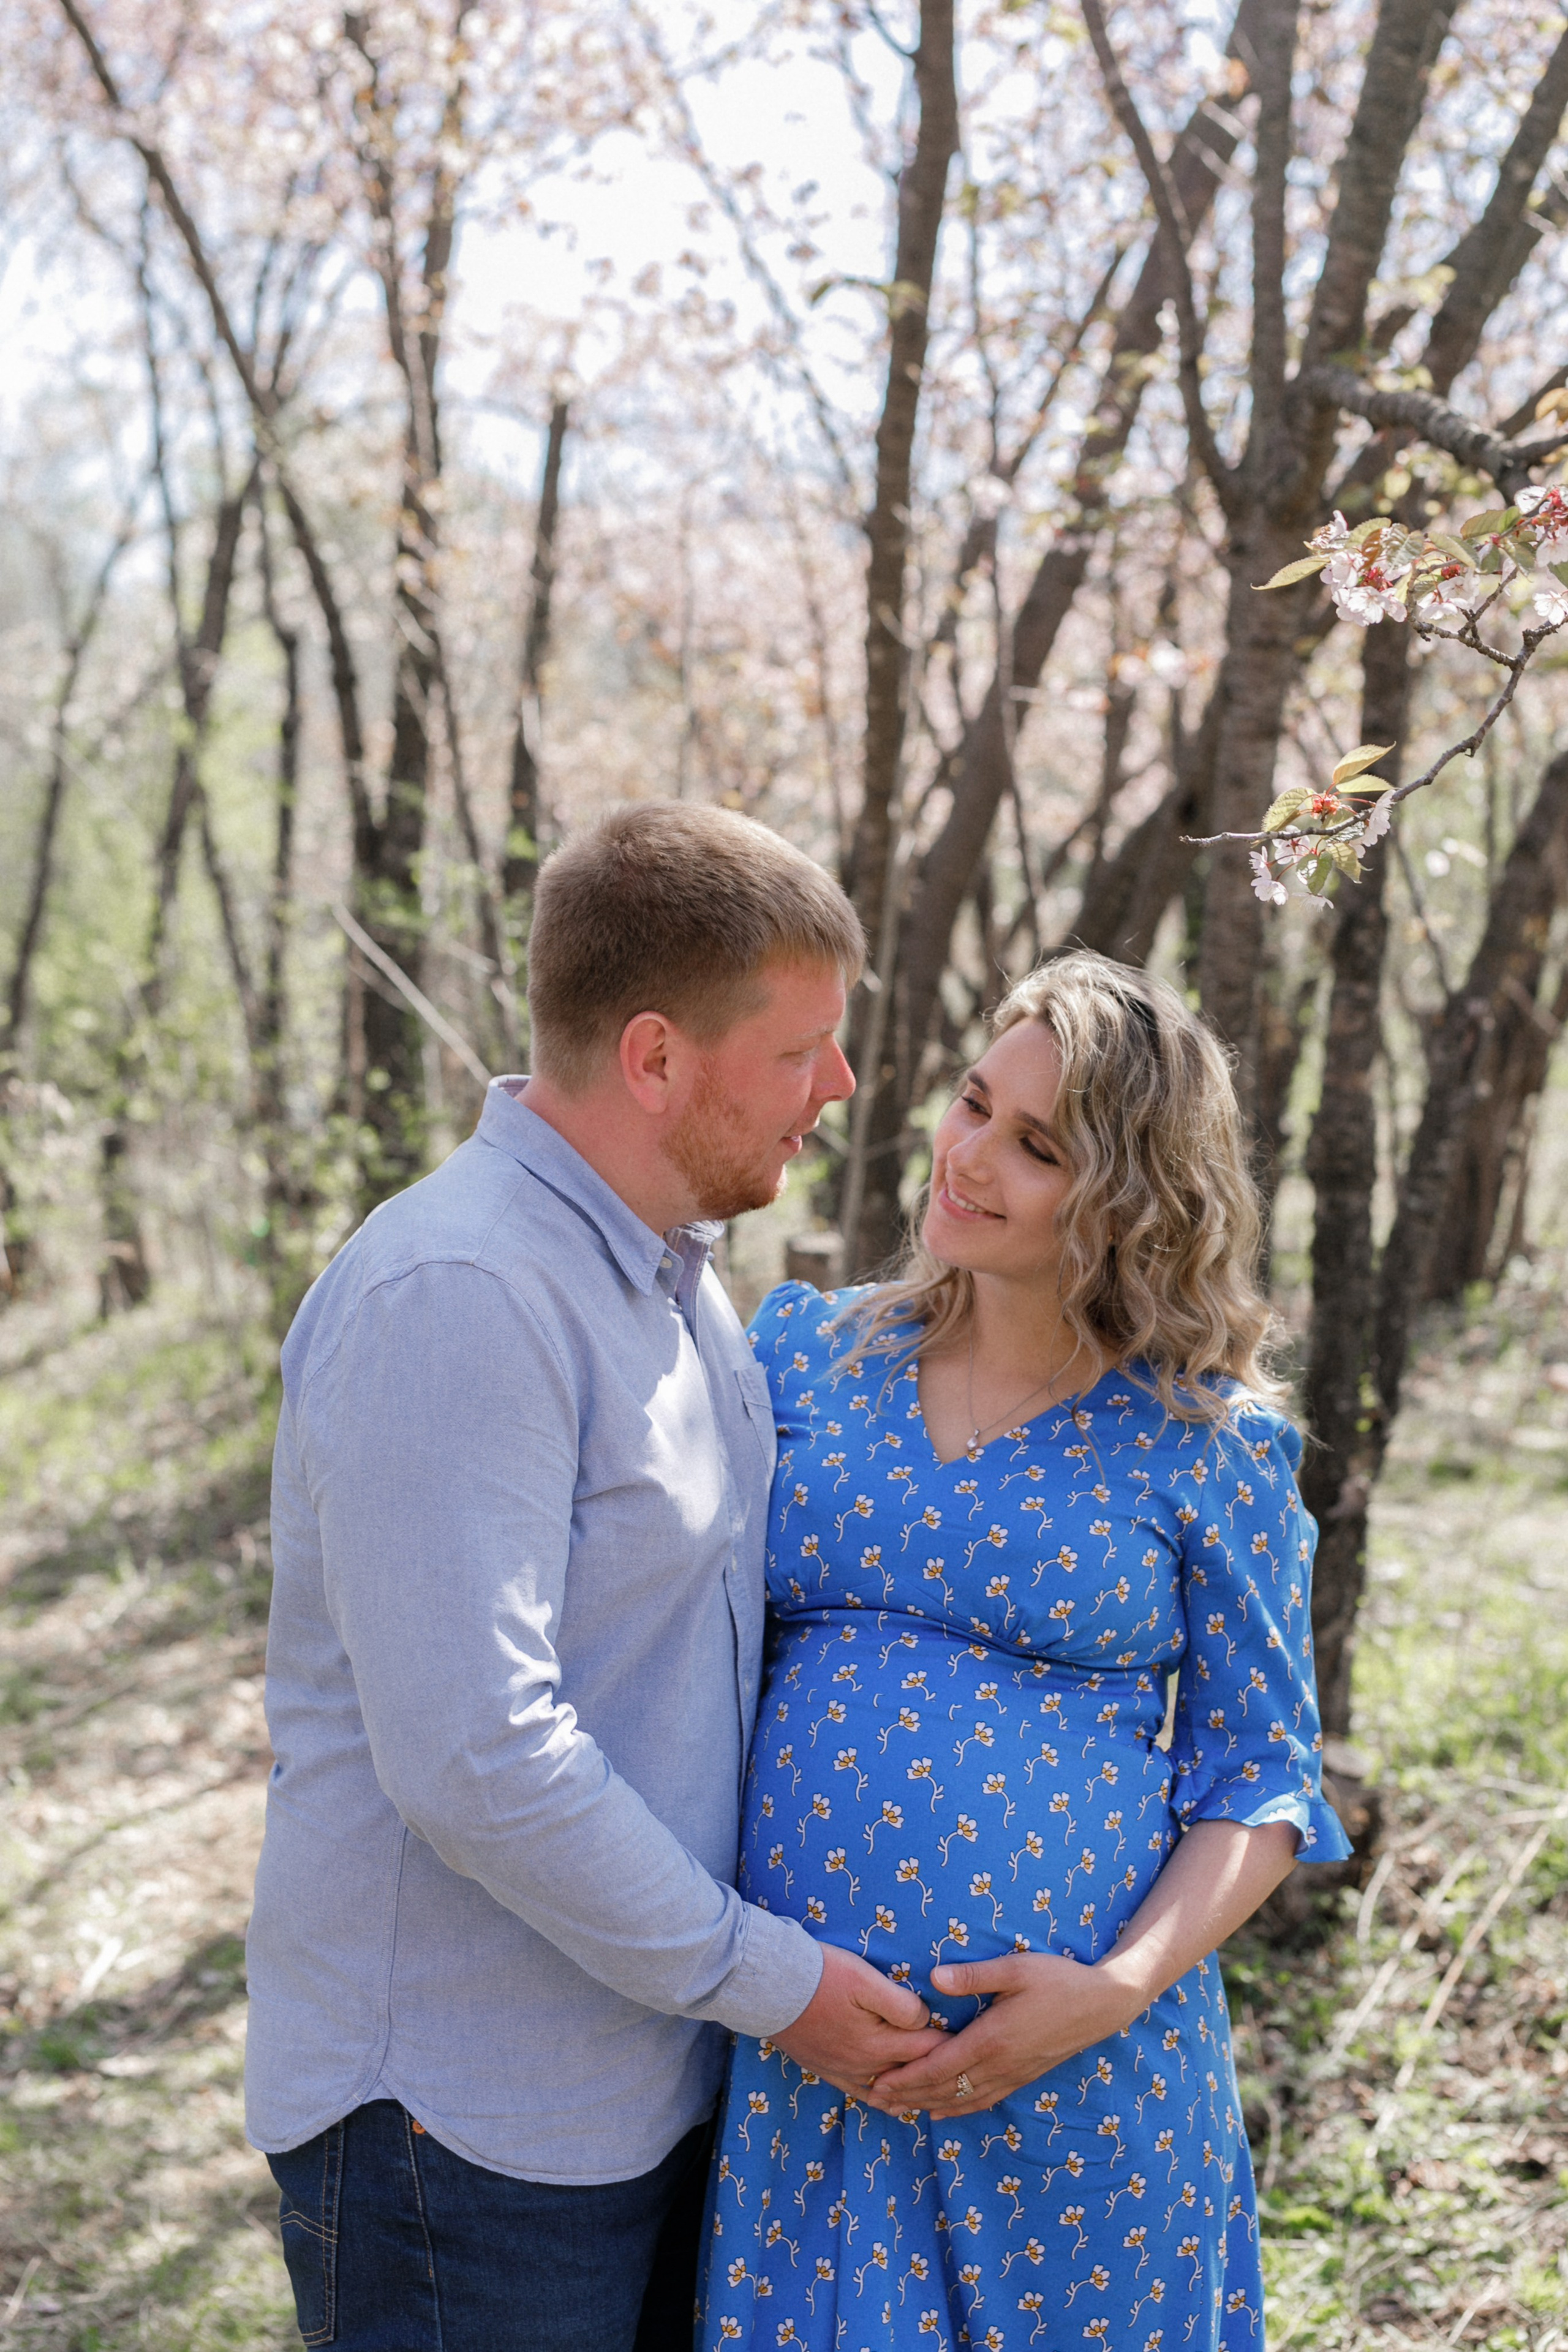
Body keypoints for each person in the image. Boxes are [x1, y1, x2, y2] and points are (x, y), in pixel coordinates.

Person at [244, 801, 944, 2352]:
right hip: (464, 2131)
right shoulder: (462, 1292)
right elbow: (479, 1753)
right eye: (801, 1050)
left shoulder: (671, 1284)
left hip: (647, 2093)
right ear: (652, 1058)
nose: (837, 1088)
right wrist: (773, 1983)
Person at [701, 951, 1354, 2352]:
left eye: (1036, 1145)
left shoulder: (1206, 1443)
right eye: (972, 1103)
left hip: (1075, 2080)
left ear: (1130, 1199)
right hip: (811, 2063)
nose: (969, 1156)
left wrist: (1106, 1994)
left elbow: (1258, 1779)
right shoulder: (809, 1357)